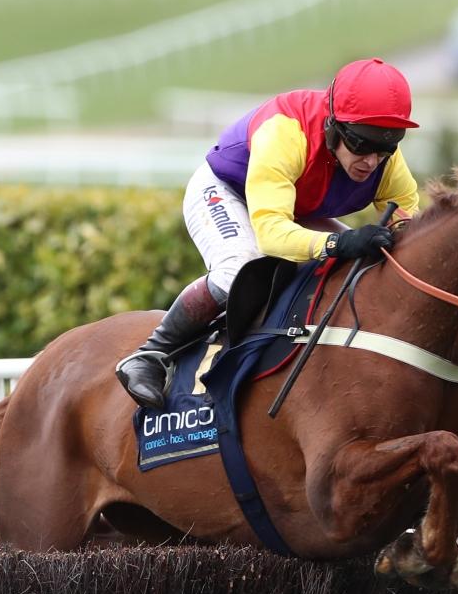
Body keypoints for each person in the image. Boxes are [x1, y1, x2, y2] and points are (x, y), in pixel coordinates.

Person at [116, 57, 422, 409]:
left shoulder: (383, 159)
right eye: (361, 145)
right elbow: (273, 235)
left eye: (385, 148)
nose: (371, 161)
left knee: (363, 263)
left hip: (293, 207)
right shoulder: (285, 132)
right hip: (227, 192)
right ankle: (150, 354)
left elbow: (408, 224)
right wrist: (339, 241)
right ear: (333, 126)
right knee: (239, 267)